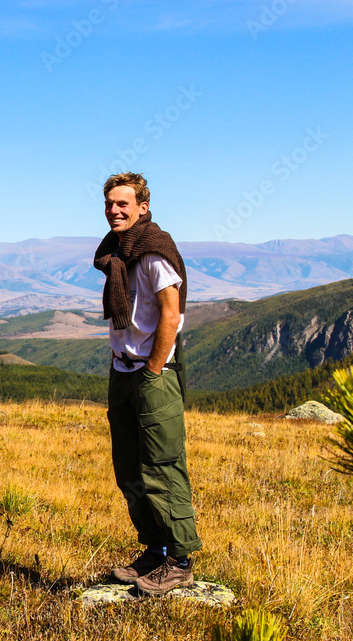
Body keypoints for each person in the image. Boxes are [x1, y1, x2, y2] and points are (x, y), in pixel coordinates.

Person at [92, 172, 202, 596]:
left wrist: (154, 369)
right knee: (129, 466)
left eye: (123, 204)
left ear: (143, 207)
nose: (115, 211)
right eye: (109, 204)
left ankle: (181, 560)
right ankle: (155, 551)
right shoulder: (119, 252)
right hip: (123, 370)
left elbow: (170, 315)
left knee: (161, 467)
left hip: (151, 373)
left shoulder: (154, 253)